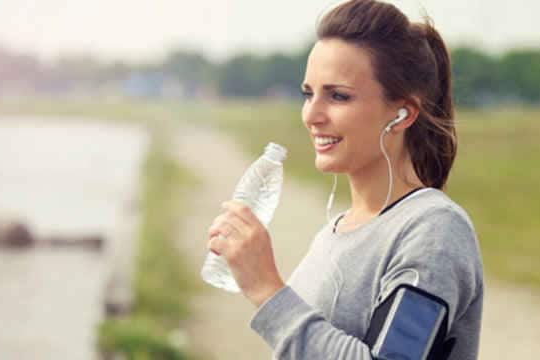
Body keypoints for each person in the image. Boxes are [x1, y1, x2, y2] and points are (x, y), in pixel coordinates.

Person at [206, 0, 484, 358]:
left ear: (402, 115)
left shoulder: (434, 230)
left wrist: (266, 289)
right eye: (309, 93)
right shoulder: (336, 230)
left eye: (338, 96)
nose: (312, 115)